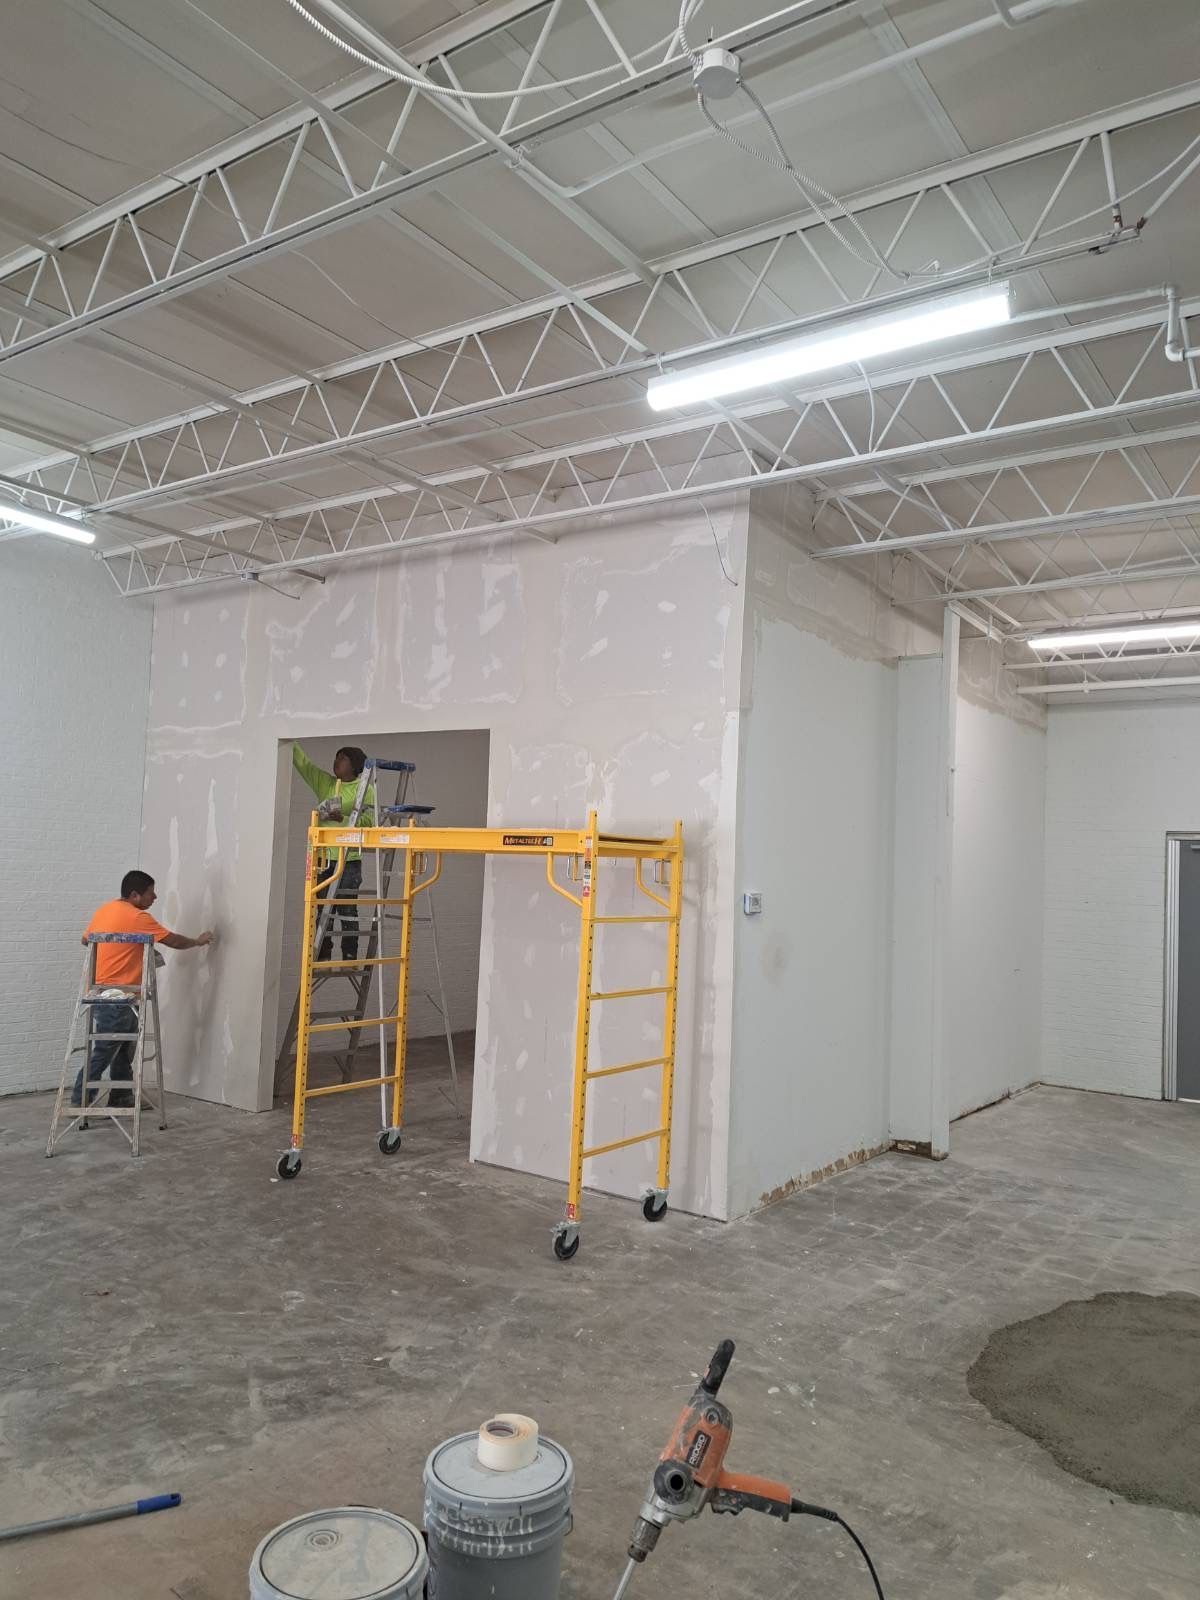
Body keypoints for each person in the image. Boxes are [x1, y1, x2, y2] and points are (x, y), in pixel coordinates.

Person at [73, 870, 214, 1107]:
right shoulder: (138, 918)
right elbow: (173, 941)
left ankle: (121, 1097)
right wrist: (198, 942)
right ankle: (79, 1099)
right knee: (106, 1049)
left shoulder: (105, 910)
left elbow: (86, 940)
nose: (155, 897)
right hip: (119, 994)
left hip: (101, 992)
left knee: (123, 1048)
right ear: (135, 895)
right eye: (151, 892)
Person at [291, 744, 375, 963]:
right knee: (322, 909)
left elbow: (369, 821)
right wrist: (287, 738)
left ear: (354, 764)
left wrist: (344, 820)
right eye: (336, 757)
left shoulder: (365, 788)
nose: (336, 761)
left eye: (342, 758)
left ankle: (349, 955)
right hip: (325, 859)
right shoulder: (326, 784)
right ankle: (323, 954)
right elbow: (304, 764)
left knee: (347, 909)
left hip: (349, 860)